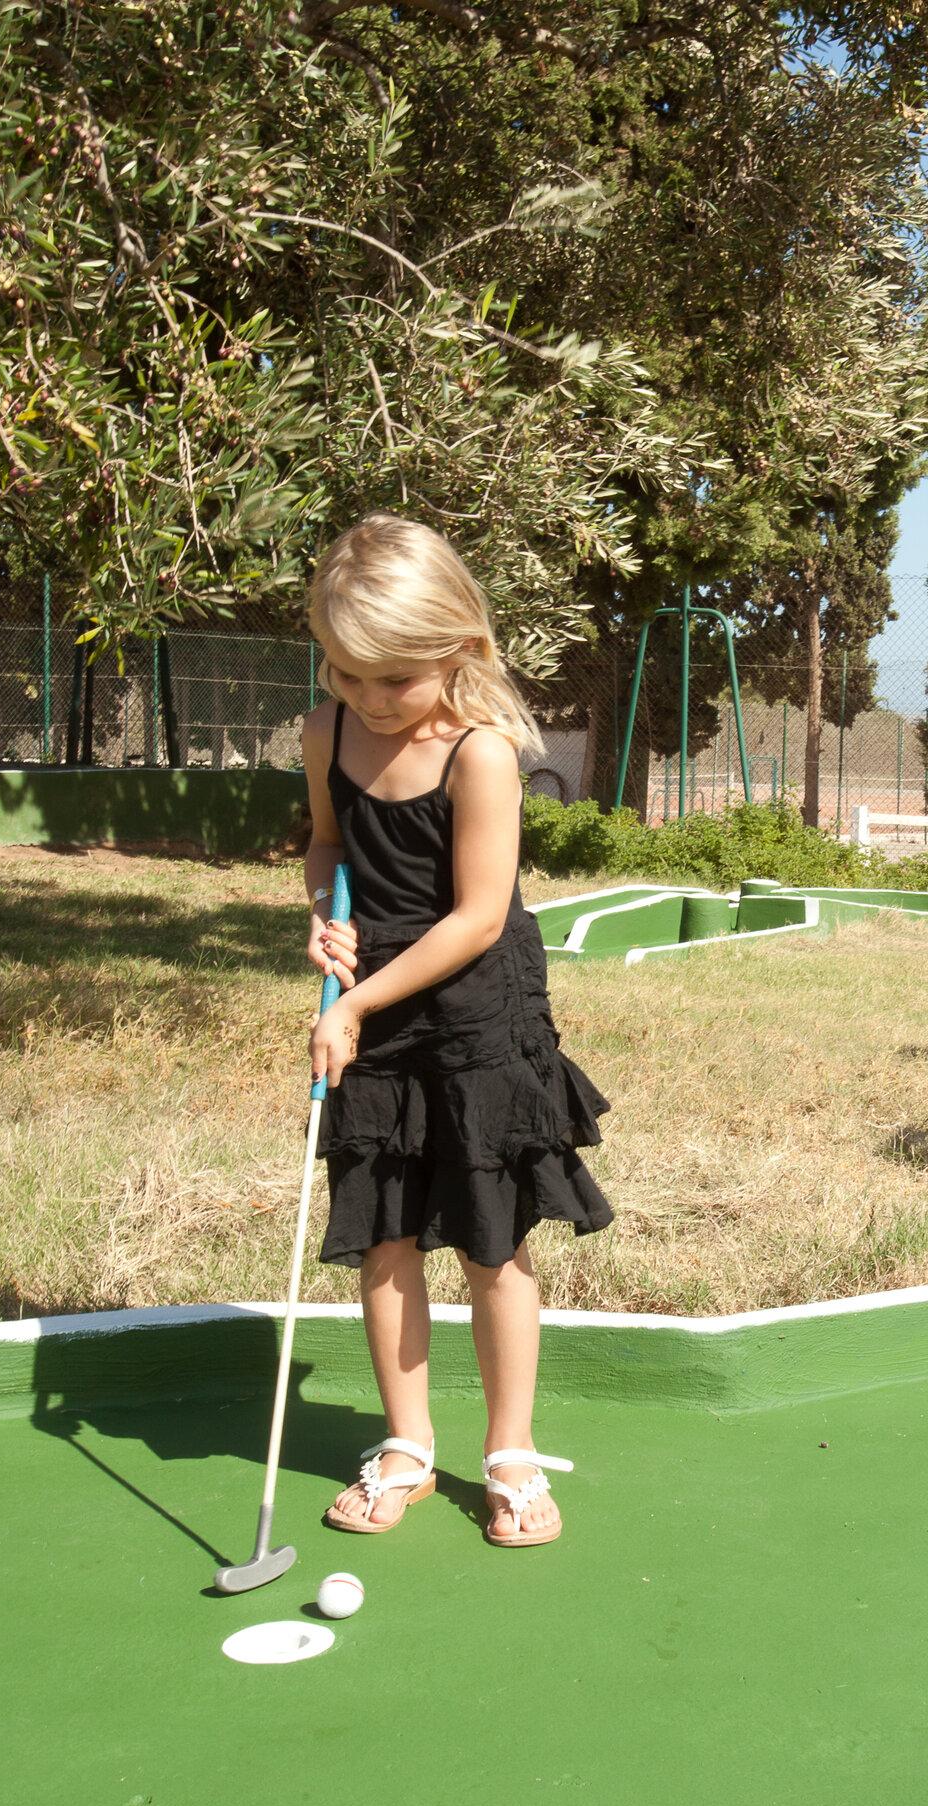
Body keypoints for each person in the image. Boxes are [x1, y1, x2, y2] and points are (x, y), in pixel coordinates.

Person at [299, 514, 612, 1549]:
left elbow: (479, 916)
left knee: (491, 1237)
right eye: (346, 674)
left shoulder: (482, 754)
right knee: (385, 1235)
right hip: (378, 1005)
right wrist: (324, 916)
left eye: (391, 680)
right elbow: (326, 843)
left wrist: (356, 1001)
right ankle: (406, 1447)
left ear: (460, 648)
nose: (366, 699)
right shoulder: (324, 733)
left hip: (476, 1007)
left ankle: (511, 1452)